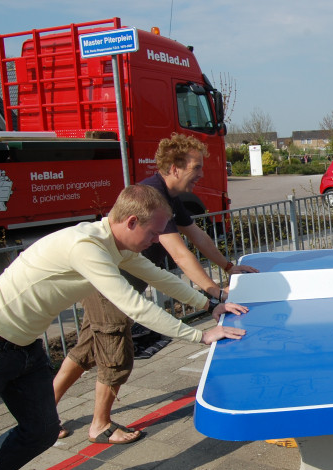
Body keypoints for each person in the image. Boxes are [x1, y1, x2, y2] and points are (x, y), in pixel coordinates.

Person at [0, 185, 247, 470]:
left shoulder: (114, 246)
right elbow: (133, 304)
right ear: (132, 222)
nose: (156, 240)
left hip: (25, 346)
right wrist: (200, 335)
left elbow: (159, 278)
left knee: (42, 431)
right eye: (153, 232)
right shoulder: (86, 247)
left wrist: (211, 303)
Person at [52, 133, 258, 445]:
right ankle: (100, 424)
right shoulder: (152, 196)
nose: (201, 173)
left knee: (83, 350)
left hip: (120, 278)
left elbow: (197, 237)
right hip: (110, 284)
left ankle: (46, 413)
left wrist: (228, 268)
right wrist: (213, 292)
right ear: (175, 167)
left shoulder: (171, 197)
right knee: (115, 354)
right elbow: (179, 252)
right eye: (196, 167)